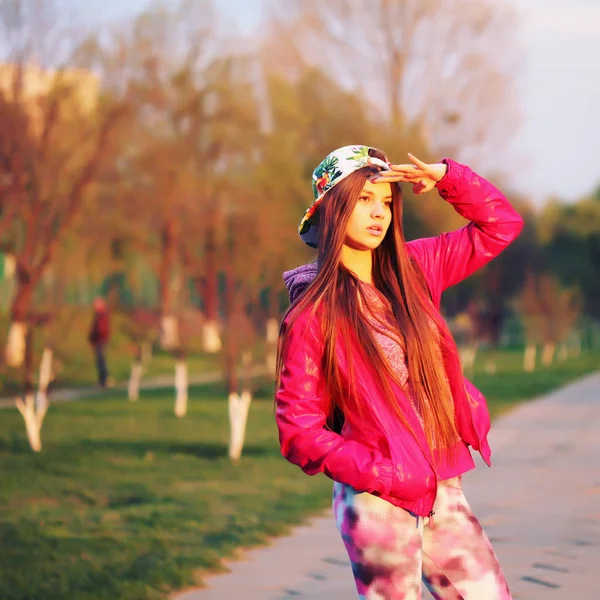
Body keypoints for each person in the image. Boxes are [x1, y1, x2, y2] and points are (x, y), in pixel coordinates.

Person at [274, 145, 523, 599]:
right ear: (330, 211)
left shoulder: (415, 269)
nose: (378, 214)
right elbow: (298, 431)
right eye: (363, 200)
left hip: (441, 487)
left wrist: (448, 179)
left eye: (385, 202)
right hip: (376, 500)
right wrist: (382, 474)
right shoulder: (312, 315)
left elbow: (501, 225)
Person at [88, 296, 112, 388]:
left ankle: (105, 381)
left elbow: (102, 329)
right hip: (98, 341)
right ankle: (102, 381)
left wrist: (95, 335)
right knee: (100, 362)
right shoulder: (98, 315)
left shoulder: (102, 315)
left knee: (102, 362)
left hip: (101, 341)